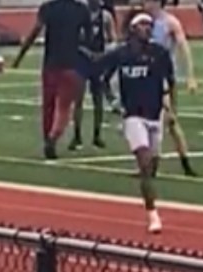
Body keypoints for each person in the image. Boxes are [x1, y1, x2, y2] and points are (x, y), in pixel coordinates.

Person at [94, 13, 174, 233]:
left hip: (155, 114)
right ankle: (153, 214)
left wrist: (171, 110)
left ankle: (148, 193)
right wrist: (113, 102)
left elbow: (170, 81)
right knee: (145, 162)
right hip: (133, 116)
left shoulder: (159, 54)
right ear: (132, 29)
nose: (148, 29)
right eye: (143, 25)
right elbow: (101, 76)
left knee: (153, 165)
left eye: (150, 25)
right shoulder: (122, 54)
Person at [11, 0, 92, 160]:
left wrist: (20, 55)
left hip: (51, 63)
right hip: (71, 63)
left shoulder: (48, 8)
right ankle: (54, 136)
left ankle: (48, 137)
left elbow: (35, 31)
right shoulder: (81, 10)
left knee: (48, 105)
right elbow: (88, 39)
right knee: (64, 107)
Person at [144, 0, 199, 176]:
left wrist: (190, 76)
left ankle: (184, 163)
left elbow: (184, 48)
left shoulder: (170, 23)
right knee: (145, 120)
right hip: (146, 77)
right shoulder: (142, 22)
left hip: (165, 78)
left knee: (170, 121)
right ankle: (148, 163)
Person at [70, 0, 117, 150]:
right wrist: (86, 52)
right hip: (82, 60)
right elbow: (73, 39)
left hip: (98, 60)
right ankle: (77, 135)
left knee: (98, 99)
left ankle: (97, 134)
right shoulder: (79, 14)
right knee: (78, 98)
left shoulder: (106, 16)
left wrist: (106, 55)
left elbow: (112, 39)